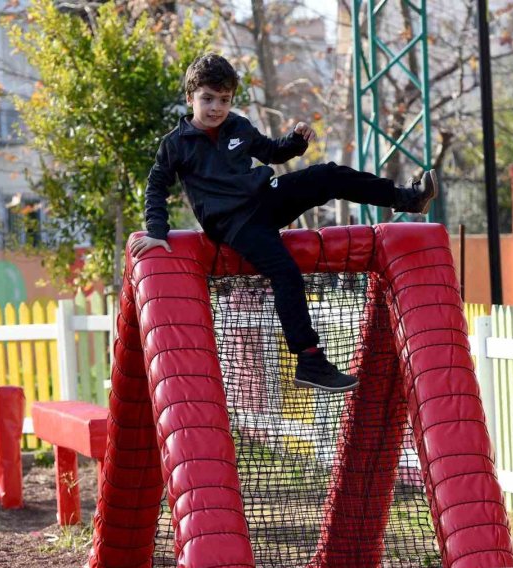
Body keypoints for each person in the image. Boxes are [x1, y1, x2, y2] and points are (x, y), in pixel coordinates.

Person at [135, 53, 438, 393]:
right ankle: (309, 361)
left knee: (327, 174)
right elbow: (157, 186)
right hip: (234, 223)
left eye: (223, 100)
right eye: (207, 99)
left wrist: (295, 141)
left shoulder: (238, 125)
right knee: (285, 272)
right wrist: (156, 231)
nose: (216, 108)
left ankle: (407, 199)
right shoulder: (175, 144)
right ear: (191, 97)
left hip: (265, 198)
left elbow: (271, 152)